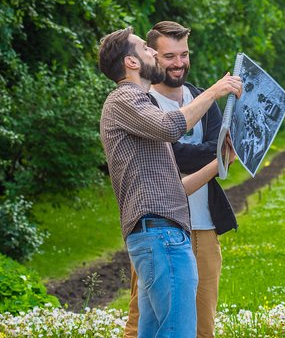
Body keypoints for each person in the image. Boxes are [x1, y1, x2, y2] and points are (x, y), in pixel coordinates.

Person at [98, 27, 242, 338]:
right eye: (146, 50)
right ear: (132, 62)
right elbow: (172, 125)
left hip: (163, 231)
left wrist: (221, 160)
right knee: (178, 332)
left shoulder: (140, 108)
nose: (153, 55)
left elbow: (175, 190)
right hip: (160, 235)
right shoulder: (126, 99)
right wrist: (216, 90)